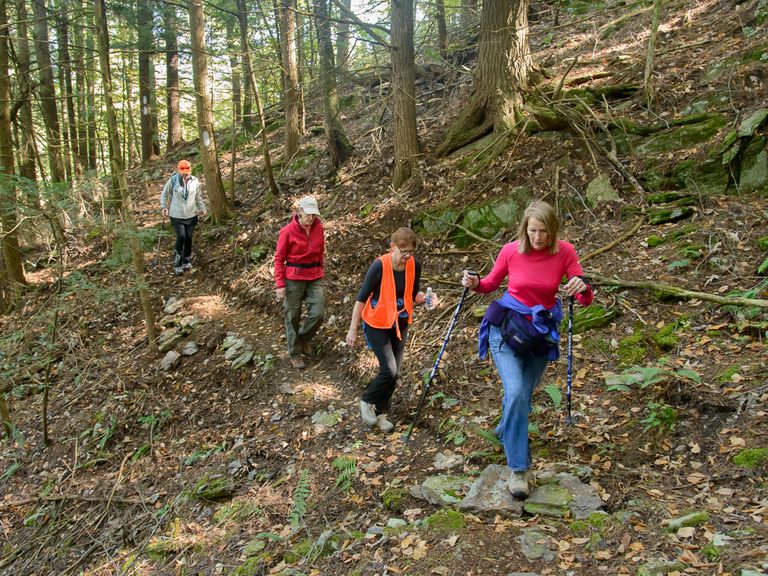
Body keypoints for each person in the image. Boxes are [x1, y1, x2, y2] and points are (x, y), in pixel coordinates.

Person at [460, 200, 593, 498]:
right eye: (532, 231)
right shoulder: (511, 250)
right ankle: (519, 469)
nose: (537, 237)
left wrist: (582, 287)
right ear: (524, 228)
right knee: (517, 392)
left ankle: (506, 428)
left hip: (540, 333)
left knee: (521, 395)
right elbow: (491, 283)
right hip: (505, 330)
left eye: (543, 232)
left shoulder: (565, 252)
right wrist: (473, 282)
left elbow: (583, 295)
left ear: (553, 231)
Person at [346, 227, 435, 432]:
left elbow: (413, 294)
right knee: (389, 369)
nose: (406, 256)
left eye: (410, 252)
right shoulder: (379, 266)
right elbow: (361, 298)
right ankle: (367, 401)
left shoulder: (415, 265)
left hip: (400, 321)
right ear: (392, 247)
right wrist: (353, 328)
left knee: (395, 374)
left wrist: (428, 298)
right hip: (377, 322)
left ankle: (380, 414)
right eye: (403, 251)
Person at [274, 196, 325, 370]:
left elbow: (320, 251)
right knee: (292, 316)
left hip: (314, 276)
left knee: (318, 313)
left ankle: (303, 338)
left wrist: (321, 268)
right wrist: (280, 284)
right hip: (293, 278)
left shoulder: (319, 228)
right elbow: (279, 259)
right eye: (308, 214)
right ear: (299, 212)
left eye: (314, 214)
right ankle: (295, 353)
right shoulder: (288, 231)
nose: (311, 218)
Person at [160, 159, 207, 275]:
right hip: (176, 214)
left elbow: (198, 197)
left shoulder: (195, 181)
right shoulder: (172, 181)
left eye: (187, 170)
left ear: (190, 170)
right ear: (178, 170)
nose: (185, 173)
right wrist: (163, 207)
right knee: (181, 236)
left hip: (191, 215)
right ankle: (177, 263)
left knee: (189, 238)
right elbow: (164, 194)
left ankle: (186, 260)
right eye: (183, 170)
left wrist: (202, 207)